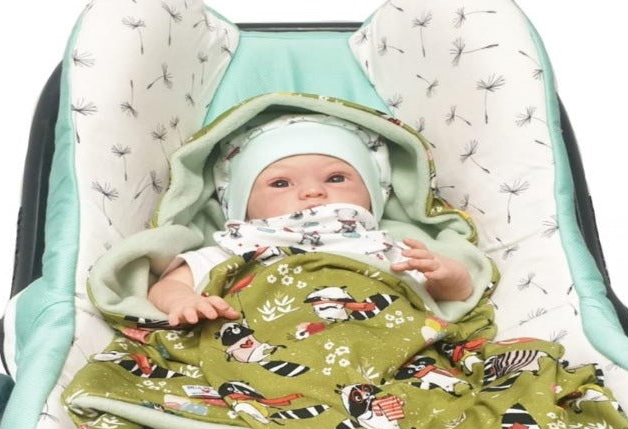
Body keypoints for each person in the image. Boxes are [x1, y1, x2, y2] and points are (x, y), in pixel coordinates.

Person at [148, 113, 474, 326]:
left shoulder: (388, 248)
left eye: (336, 178)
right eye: (281, 183)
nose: (312, 191)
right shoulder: (236, 247)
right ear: (241, 207)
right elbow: (167, 285)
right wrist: (184, 301)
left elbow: (450, 296)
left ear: (374, 196)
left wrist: (447, 277)